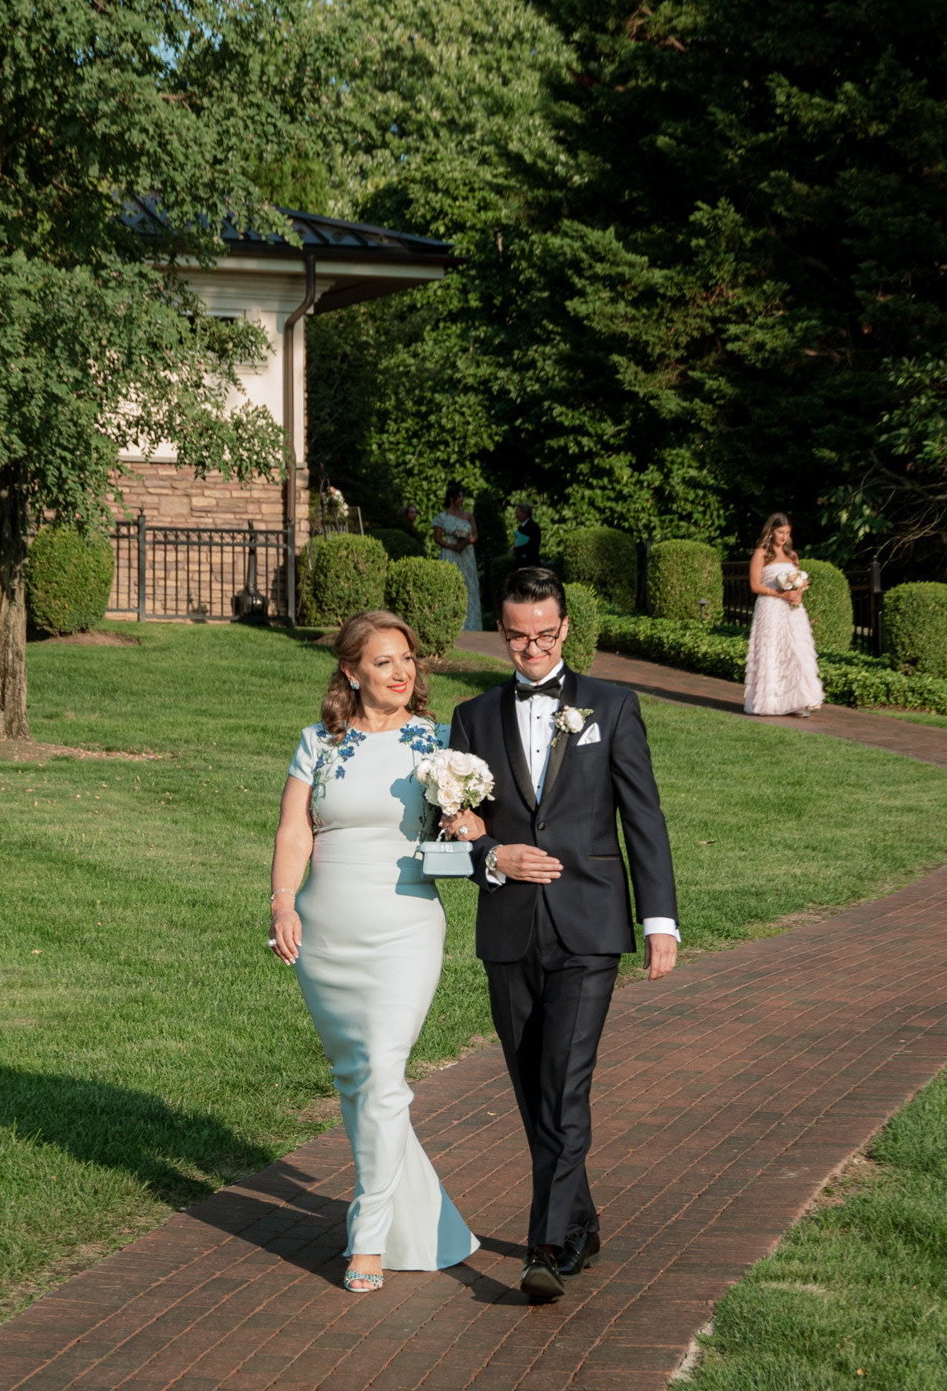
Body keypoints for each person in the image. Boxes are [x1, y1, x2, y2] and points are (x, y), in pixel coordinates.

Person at [443, 564, 680, 1305]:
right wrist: (484, 849)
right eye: (518, 639)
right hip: (509, 929)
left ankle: (546, 1247)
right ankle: (578, 1220)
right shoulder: (471, 718)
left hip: (590, 925)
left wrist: (659, 920)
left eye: (546, 636)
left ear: (566, 628)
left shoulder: (612, 706)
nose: (533, 651)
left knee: (564, 1084)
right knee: (529, 1087)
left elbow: (643, 816)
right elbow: (447, 835)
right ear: (502, 635)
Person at [268, 609, 479, 1295]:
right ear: (352, 671)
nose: (401, 673)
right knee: (360, 1080)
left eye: (408, 660)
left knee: (384, 1069)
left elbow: (471, 828)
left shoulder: (439, 744)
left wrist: (462, 814)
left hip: (406, 926)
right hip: (327, 931)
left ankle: (367, 1237)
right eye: (384, 662)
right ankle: (425, 1225)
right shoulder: (318, 744)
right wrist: (282, 902)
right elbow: (295, 831)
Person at [744, 513, 823, 719]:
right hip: (770, 608)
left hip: (792, 610)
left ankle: (800, 701)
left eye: (787, 533)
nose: (783, 537)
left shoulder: (793, 555)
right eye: (780, 532)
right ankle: (771, 703)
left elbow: (797, 580)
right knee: (773, 651)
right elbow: (755, 585)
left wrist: (798, 592)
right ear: (771, 531)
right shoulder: (761, 554)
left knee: (796, 651)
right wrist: (781, 593)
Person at [431, 485, 484, 631]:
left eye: (462, 496)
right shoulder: (442, 517)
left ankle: (471, 624)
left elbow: (475, 535)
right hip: (450, 552)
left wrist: (465, 542)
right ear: (451, 499)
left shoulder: (468, 515)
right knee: (451, 583)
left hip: (466, 553)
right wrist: (451, 545)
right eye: (459, 496)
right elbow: (437, 538)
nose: (462, 499)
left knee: (469, 584)